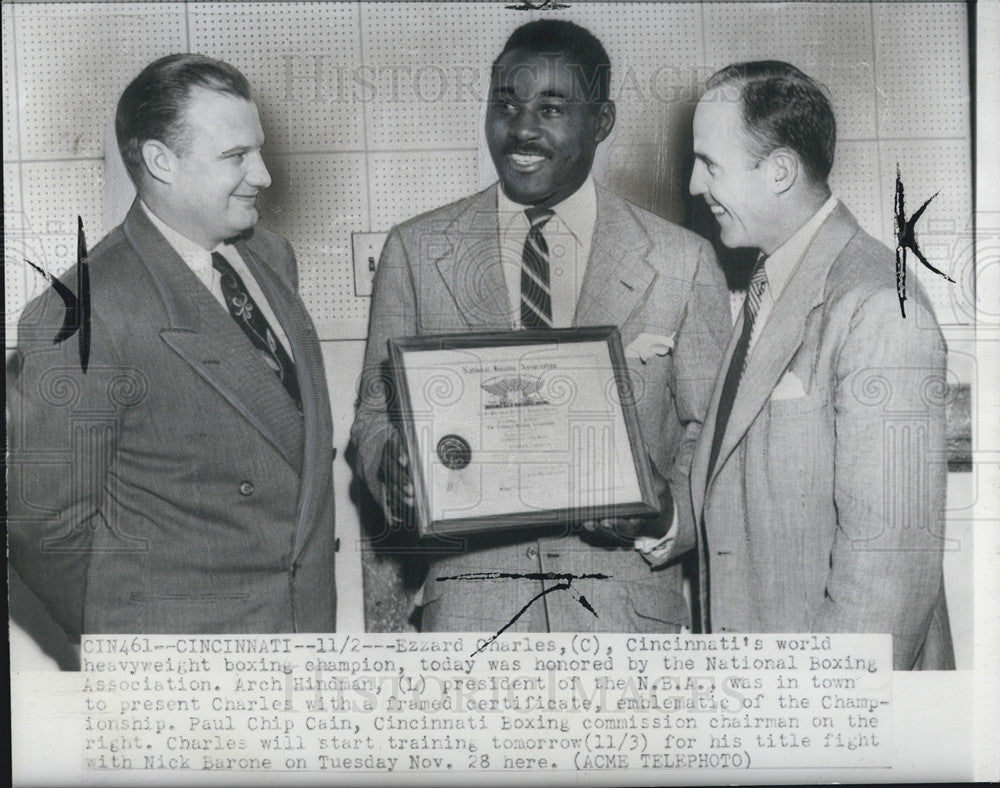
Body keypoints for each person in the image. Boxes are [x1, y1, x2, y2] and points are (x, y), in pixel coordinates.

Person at [350, 20, 729, 633]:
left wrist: (662, 512)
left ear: (601, 121)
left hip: (624, 621)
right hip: (471, 620)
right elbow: (373, 416)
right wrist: (391, 466)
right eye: (505, 104)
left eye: (551, 108)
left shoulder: (683, 261)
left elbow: (711, 440)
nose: (522, 129)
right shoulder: (416, 251)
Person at [7, 54, 336, 636]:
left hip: (304, 635)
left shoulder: (270, 256)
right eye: (236, 156)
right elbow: (45, 527)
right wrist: (137, 647)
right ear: (161, 161)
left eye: (257, 150)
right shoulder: (82, 313)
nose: (262, 175)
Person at [679, 60, 952, 668]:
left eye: (710, 164)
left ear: (779, 172)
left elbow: (889, 575)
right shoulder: (771, 282)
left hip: (823, 718)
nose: (695, 185)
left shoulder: (878, 304)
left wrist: (822, 735)